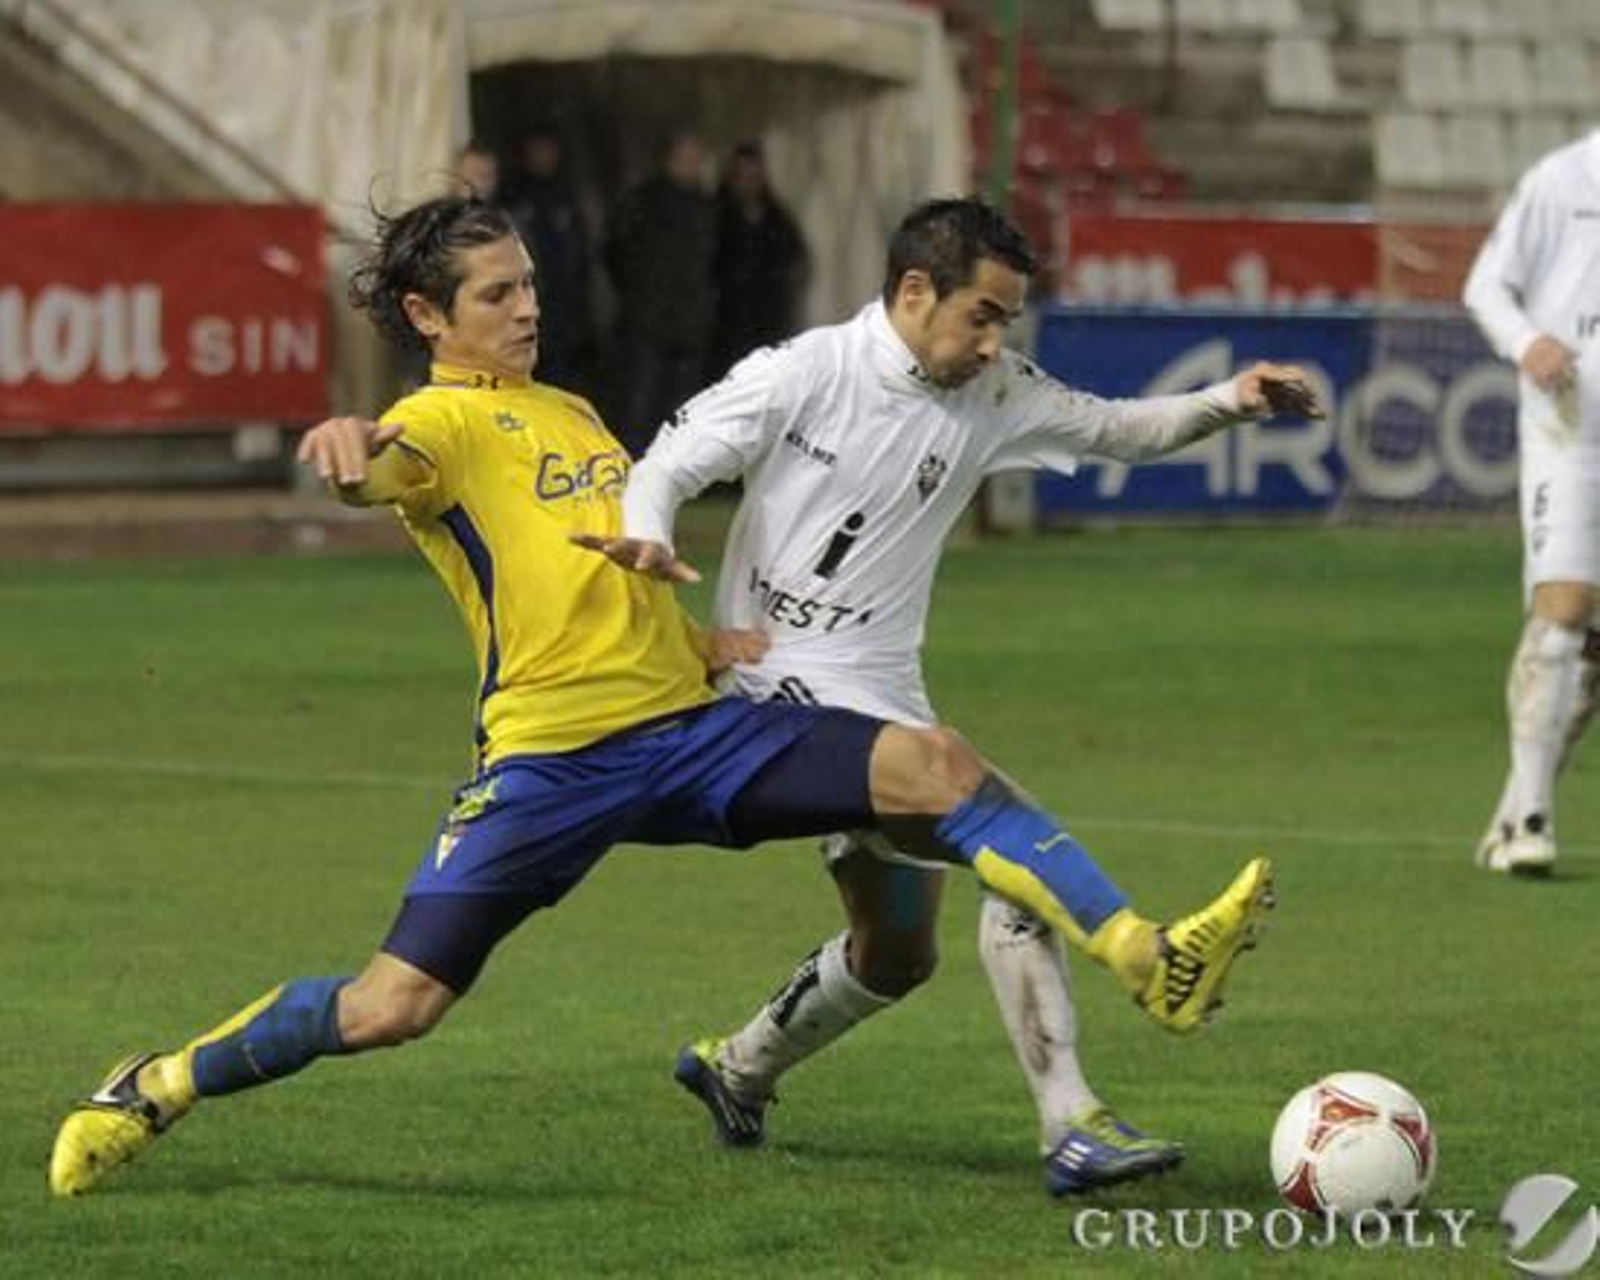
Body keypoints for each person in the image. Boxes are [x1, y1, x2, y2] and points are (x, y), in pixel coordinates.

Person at [47, 194, 1275, 1199]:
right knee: (391, 1005)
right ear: (428, 314)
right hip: (550, 762)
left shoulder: (570, 411)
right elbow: (388, 470)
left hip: (693, 733)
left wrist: (699, 638)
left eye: (530, 283)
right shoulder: (437, 422)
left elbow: (582, 571)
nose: (528, 307)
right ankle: (156, 1084)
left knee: (939, 769)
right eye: (497, 294)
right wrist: (345, 449)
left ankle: (1140, 952)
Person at [579, 196, 1321, 1195]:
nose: (991, 341)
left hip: (885, 693)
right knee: (995, 826)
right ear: (915, 289)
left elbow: (1117, 430)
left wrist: (1230, 397)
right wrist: (652, 530)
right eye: (981, 313)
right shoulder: (804, 370)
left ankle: (734, 1066)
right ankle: (1113, 1025)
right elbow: (669, 459)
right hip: (779, 684)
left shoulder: (994, 389)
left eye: (1004, 320)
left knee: (895, 954)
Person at [1464, 126, 1600, 877]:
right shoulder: (1563, 180)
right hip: (1572, 433)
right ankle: (1533, 823)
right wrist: (1527, 342)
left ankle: (1515, 810)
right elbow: (1484, 283)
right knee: (1567, 608)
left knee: (1592, 654)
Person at [602, 130, 718, 457]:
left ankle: (677, 471)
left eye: (697, 158)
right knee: (641, 405)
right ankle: (633, 471)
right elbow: (616, 253)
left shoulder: (705, 206)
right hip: (648, 322)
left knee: (685, 409)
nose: (691, 166)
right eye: (686, 158)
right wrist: (640, 297)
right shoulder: (643, 202)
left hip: (689, 322)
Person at [502, 124, 595, 393]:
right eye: (538, 151)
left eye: (548, 150)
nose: (544, 157)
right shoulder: (514, 196)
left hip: (565, 310)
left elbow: (582, 255)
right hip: (529, 306)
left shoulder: (565, 196)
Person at [710, 141, 809, 380]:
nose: (748, 183)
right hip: (726, 324)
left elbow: (797, 258)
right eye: (742, 175)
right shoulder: (716, 215)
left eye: (753, 176)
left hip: (769, 321)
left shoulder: (777, 218)